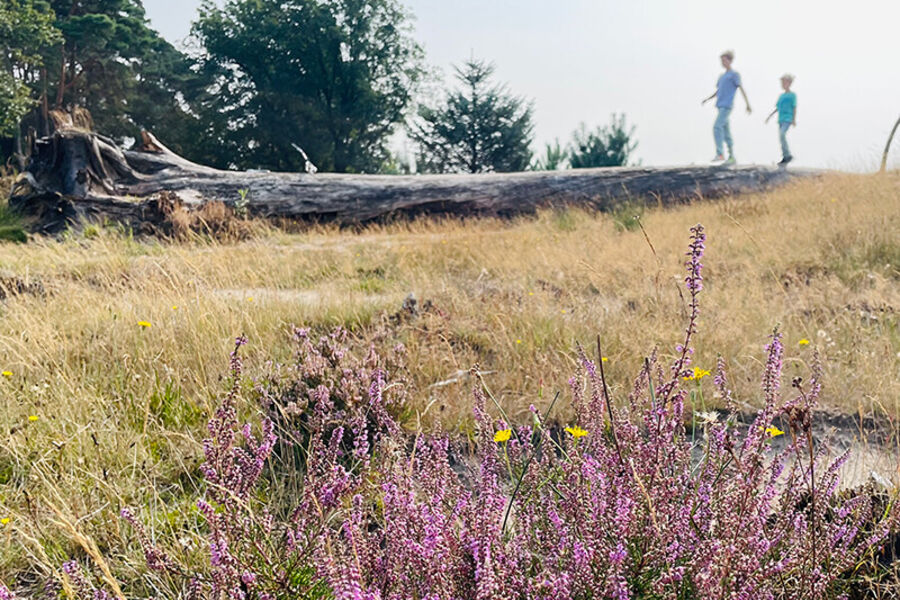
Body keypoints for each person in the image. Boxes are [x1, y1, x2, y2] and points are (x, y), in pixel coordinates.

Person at [702, 50, 752, 164]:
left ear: (730, 61)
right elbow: (718, 91)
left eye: (724, 60)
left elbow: (741, 88)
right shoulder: (722, 76)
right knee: (726, 132)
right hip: (719, 106)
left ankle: (720, 154)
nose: (723, 62)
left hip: (727, 106)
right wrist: (708, 99)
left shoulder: (734, 75)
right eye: (721, 60)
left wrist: (747, 104)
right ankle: (732, 157)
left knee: (716, 127)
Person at [765, 74, 797, 166]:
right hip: (781, 119)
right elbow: (777, 108)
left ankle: (788, 154)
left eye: (785, 82)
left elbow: (794, 107)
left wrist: (794, 119)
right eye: (782, 82)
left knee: (782, 135)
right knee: (781, 137)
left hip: (788, 118)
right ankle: (785, 156)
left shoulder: (792, 95)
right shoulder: (781, 96)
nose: (783, 84)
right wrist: (769, 116)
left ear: (789, 83)